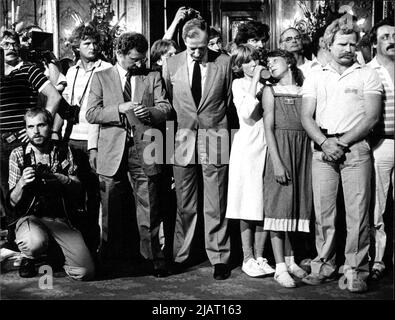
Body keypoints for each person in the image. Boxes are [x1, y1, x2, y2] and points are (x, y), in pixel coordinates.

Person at [300, 15, 382, 293]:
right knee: (324, 213)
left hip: (356, 149)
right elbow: (306, 117)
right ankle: (323, 264)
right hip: (322, 149)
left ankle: (356, 269)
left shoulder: (367, 74)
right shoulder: (315, 75)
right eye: (341, 44)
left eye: (352, 44)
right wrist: (325, 143)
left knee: (358, 213)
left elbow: (371, 117)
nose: (348, 48)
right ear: (328, 44)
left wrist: (342, 142)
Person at [86, 32, 172, 278]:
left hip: (144, 148)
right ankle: (111, 259)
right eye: (134, 59)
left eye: (142, 59)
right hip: (111, 151)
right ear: (119, 55)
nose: (139, 64)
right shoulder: (101, 77)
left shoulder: (152, 76)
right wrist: (119, 109)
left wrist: (152, 113)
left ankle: (154, 259)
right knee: (110, 209)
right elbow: (91, 113)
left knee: (150, 207)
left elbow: (166, 107)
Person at [163, 18, 232, 280]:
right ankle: (182, 255)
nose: (197, 53)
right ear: (184, 42)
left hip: (215, 135)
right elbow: (169, 103)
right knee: (185, 203)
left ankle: (219, 257)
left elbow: (227, 100)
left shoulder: (223, 63)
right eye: (191, 48)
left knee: (216, 200)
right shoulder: (171, 64)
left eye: (201, 47)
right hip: (181, 138)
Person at [8, 107, 94, 280]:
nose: (36, 131)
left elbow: (78, 189)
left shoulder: (63, 151)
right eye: (31, 127)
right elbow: (12, 202)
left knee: (85, 271)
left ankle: (55, 253)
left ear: (50, 126)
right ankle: (30, 256)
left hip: (60, 218)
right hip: (30, 217)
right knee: (34, 243)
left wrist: (63, 179)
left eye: (41, 125)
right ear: (25, 129)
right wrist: (22, 183)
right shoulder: (18, 154)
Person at [57, 24, 112, 253]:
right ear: (76, 46)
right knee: (73, 195)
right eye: (86, 43)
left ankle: (96, 245)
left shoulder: (107, 69)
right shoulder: (72, 71)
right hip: (70, 138)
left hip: (95, 139)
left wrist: (94, 146)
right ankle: (78, 246)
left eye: (94, 43)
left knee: (95, 196)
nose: (92, 47)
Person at [0, 29, 61, 232]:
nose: (10, 47)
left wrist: (38, 125)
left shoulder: (28, 69)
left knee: (21, 192)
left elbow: (54, 97)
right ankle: (11, 240)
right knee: (3, 196)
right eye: (5, 43)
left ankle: (26, 240)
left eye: (13, 43)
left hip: (19, 140)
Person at [261, 49, 312, 288]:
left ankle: (291, 261)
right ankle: (279, 267)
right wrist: (277, 162)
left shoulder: (306, 89)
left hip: (303, 150)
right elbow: (268, 128)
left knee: (294, 205)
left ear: (289, 62)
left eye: (275, 61)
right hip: (281, 149)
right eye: (267, 63)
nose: (270, 65)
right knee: (278, 207)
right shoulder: (270, 91)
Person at [225, 44, 275, 278]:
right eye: (248, 61)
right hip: (246, 148)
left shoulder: (268, 85)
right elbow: (246, 112)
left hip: (266, 144)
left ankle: (260, 255)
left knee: (263, 203)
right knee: (247, 203)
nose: (254, 64)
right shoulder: (238, 84)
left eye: (255, 59)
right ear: (238, 65)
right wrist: (255, 81)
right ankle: (247, 258)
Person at [366, 19, 394, 281]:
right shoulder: (368, 71)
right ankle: (378, 260)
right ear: (375, 42)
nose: (391, 40)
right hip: (381, 143)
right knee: (378, 206)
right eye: (385, 36)